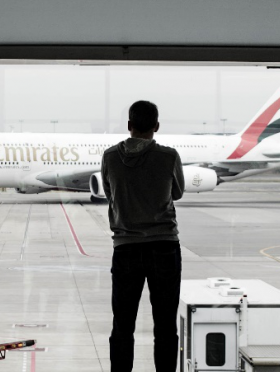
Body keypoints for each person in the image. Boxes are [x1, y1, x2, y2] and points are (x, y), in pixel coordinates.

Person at [101, 100, 185, 372]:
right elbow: (177, 192)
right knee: (165, 326)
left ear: (129, 126)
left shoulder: (110, 156)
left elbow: (109, 193)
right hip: (164, 246)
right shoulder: (169, 156)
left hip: (125, 248)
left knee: (122, 326)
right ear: (156, 127)